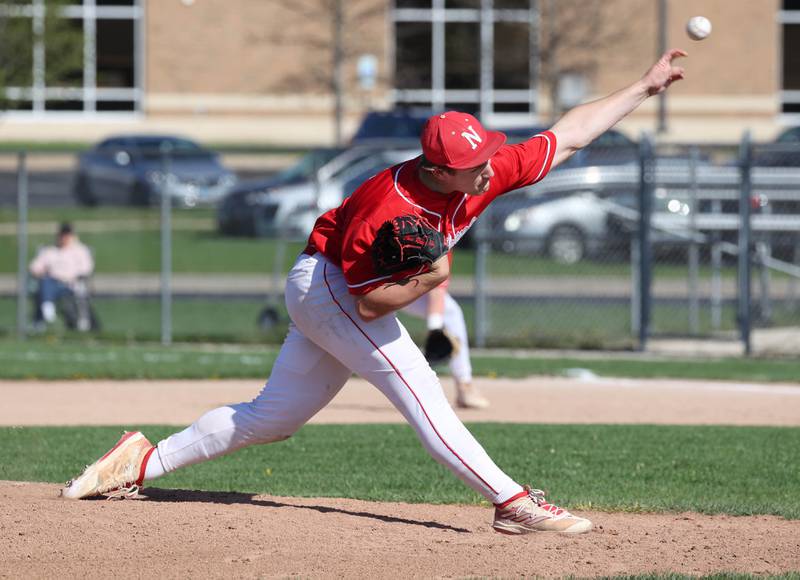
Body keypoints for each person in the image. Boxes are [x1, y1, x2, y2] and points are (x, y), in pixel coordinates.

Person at [61, 49, 687, 534]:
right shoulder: (387, 208)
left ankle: (136, 463)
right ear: (437, 170)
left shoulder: (479, 173)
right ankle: (512, 503)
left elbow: (569, 134)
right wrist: (431, 277)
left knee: (273, 418)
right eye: (475, 166)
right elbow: (369, 304)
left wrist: (642, 87)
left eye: (489, 156)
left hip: (340, 292)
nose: (490, 168)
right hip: (329, 286)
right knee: (419, 387)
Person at [403, 277, 490, 409]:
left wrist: (435, 329)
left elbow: (436, 286)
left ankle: (464, 384)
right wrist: (435, 330)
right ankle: (464, 385)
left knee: (450, 312)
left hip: (396, 280)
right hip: (375, 278)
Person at [29, 222, 94, 330]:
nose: (64, 238)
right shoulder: (50, 250)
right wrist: (40, 271)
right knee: (45, 282)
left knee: (46, 286)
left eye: (66, 235)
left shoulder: (80, 250)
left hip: (71, 284)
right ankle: (46, 310)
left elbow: (86, 269)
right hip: (51, 283)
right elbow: (35, 267)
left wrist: (72, 277)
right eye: (62, 235)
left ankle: (47, 308)